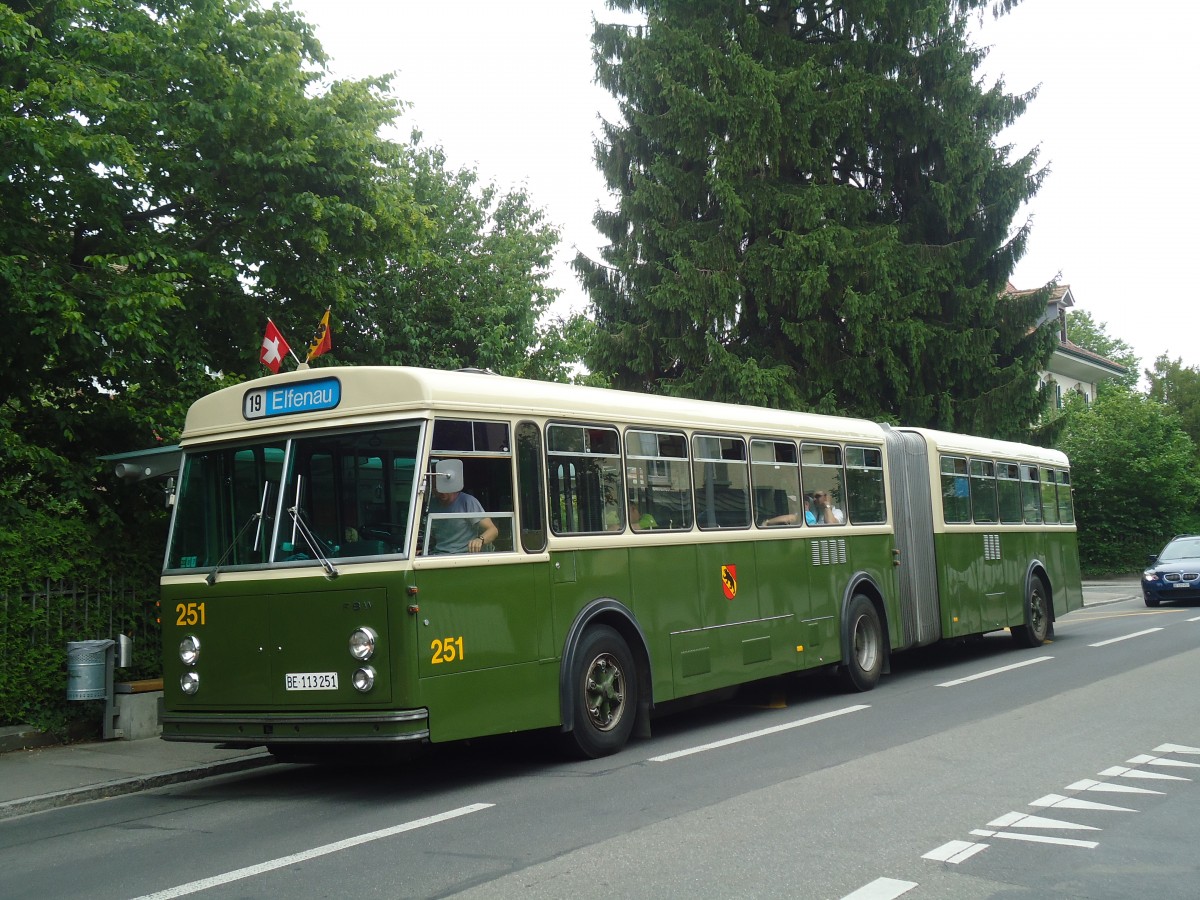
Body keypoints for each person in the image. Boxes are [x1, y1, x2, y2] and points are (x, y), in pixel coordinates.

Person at [428, 482, 498, 554]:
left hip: (462, 556)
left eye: (443, 488)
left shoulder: (468, 501)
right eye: (436, 488)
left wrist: (480, 540)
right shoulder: (432, 504)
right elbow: (433, 535)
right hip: (437, 555)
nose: (441, 492)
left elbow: (493, 530)